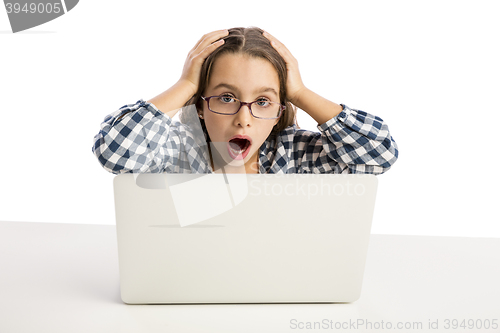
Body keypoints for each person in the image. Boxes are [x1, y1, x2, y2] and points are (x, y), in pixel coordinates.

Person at [92, 27, 399, 175]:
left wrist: (300, 93)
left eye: (263, 101)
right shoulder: (176, 150)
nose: (244, 119)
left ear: (280, 112)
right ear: (199, 105)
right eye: (227, 98)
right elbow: (115, 152)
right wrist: (186, 84)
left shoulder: (296, 156)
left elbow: (379, 154)